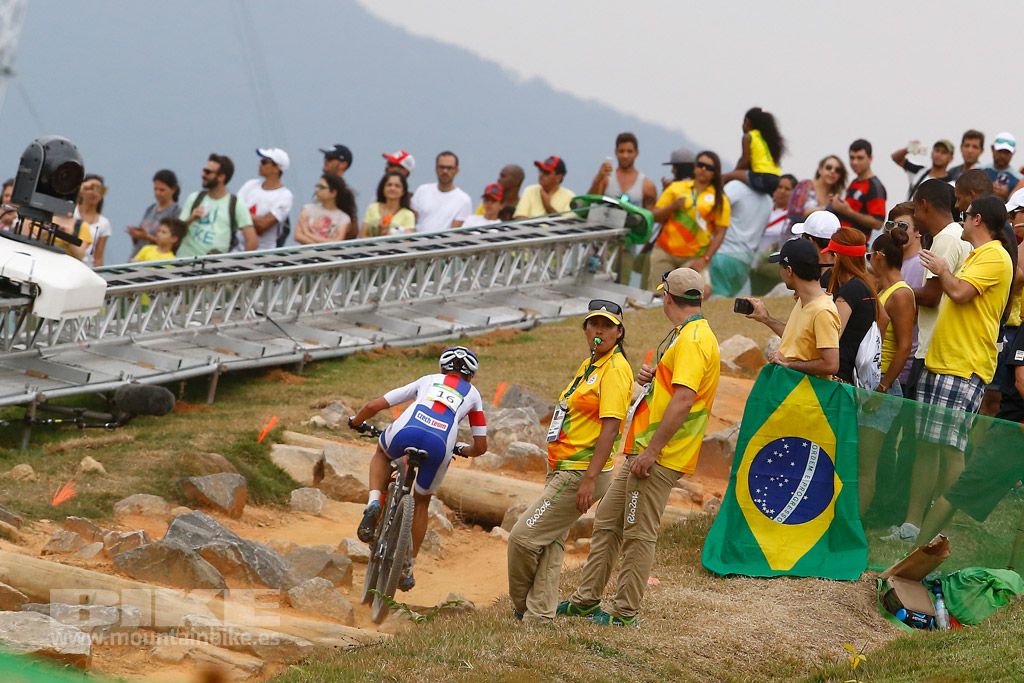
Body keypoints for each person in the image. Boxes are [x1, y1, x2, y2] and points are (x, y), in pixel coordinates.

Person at [557, 268, 719, 626]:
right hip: (643, 450)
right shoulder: (688, 334)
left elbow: (684, 399)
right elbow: (674, 388)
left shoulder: (693, 340)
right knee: (608, 522)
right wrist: (655, 375)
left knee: (637, 532)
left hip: (657, 455)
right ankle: (586, 599)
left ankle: (624, 612)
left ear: (668, 299)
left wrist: (652, 452)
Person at [887, 196, 1014, 544]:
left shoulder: (994, 256)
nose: (962, 220)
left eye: (966, 215)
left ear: (977, 220)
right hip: (945, 361)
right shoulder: (979, 254)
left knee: (950, 448)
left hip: (963, 364)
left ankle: (945, 527)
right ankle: (915, 524)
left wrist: (943, 269)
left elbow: (958, 293)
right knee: (929, 445)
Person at [508, 300, 633, 623]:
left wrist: (590, 478)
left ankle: (522, 606)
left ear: (619, 332)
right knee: (550, 542)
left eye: (607, 326)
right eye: (593, 324)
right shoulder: (590, 364)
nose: (599, 330)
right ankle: (539, 616)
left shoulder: (616, 370)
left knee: (523, 538)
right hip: (562, 466)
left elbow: (611, 426)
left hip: (581, 472)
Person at [350, 347, 488, 590]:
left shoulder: (428, 380)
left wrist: (356, 422)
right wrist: (461, 449)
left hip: (407, 431)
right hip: (440, 444)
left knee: (382, 454)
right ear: (471, 376)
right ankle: (407, 566)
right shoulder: (474, 395)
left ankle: (373, 504)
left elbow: (374, 405)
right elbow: (481, 446)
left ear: (442, 368)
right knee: (422, 501)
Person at [858, 229, 916, 514]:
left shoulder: (902, 294)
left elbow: (905, 346)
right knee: (859, 461)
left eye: (870, 255)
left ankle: (855, 527)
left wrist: (884, 387)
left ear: (879, 257)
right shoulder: (885, 289)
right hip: (872, 382)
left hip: (883, 386)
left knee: (866, 466)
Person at [907, 179, 971, 401]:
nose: (914, 216)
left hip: (933, 350)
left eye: (914, 209)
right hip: (941, 348)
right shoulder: (957, 234)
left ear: (924, 204)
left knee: (918, 432)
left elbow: (932, 296)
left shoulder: (946, 238)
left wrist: (895, 289)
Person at [746, 238, 841, 378]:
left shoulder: (822, 311)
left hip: (806, 396)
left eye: (780, 267)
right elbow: (797, 339)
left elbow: (831, 364)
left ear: (789, 270)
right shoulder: (803, 301)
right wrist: (766, 319)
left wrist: (789, 364)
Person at [648, 151, 730, 295]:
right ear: (694, 167)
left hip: (694, 256)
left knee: (699, 292)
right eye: (700, 165)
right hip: (665, 251)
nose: (703, 169)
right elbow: (654, 216)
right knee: (659, 295)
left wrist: (705, 259)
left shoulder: (720, 198)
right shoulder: (677, 188)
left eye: (709, 167)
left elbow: (720, 233)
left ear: (715, 173)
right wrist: (672, 206)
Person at [823, 227, 879, 386]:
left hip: (839, 378)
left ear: (837, 256)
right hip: (853, 376)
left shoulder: (851, 290)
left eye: (831, 254)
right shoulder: (865, 286)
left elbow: (832, 336)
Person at [177, 154, 257, 257]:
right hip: (185, 264)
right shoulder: (194, 198)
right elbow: (175, 232)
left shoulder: (236, 204)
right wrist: (191, 219)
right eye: (204, 170)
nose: (203, 175)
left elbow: (252, 240)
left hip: (214, 268)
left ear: (221, 177)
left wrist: (240, 266)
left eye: (208, 172)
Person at [237, 148, 294, 250]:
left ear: (277, 168)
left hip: (263, 254)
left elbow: (263, 224)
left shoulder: (285, 196)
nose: (260, 164)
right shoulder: (250, 185)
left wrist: (242, 214)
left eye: (264, 162)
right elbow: (232, 211)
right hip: (236, 249)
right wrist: (254, 218)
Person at [721, 106, 785, 195]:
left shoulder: (748, 137)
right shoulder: (768, 139)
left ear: (747, 122)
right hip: (776, 179)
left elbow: (745, 161)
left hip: (761, 177)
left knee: (724, 177)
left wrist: (733, 173)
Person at [833, 139, 887, 237]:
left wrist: (848, 212)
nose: (855, 162)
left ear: (870, 158)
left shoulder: (875, 186)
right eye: (852, 158)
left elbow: (878, 223)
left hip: (856, 244)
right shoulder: (854, 182)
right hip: (843, 239)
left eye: (860, 158)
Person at [588, 132, 657, 209]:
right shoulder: (606, 179)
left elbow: (650, 217)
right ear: (616, 152)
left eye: (629, 151)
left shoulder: (647, 186)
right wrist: (598, 178)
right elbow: (589, 204)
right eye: (621, 151)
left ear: (636, 153)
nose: (625, 156)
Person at [411, 151, 472, 233]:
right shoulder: (422, 190)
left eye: (449, 168)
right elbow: (412, 221)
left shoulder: (464, 200)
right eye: (441, 167)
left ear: (456, 170)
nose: (445, 171)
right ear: (436, 169)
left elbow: (456, 232)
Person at [127, 169, 180, 259]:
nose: (157, 193)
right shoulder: (150, 209)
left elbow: (172, 244)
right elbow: (139, 240)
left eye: (162, 190)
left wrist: (147, 237)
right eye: (155, 189)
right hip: (138, 256)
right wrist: (136, 235)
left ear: (173, 189)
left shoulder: (175, 211)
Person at [295, 173, 358, 243]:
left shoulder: (343, 218)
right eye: (317, 186)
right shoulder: (307, 209)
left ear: (333, 193)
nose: (317, 190)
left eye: (321, 187)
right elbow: (298, 236)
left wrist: (307, 233)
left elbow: (336, 242)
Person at [787, 155, 847, 224]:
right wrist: (822, 209)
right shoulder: (806, 185)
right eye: (828, 168)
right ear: (820, 170)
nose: (832, 171)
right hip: (796, 232)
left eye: (837, 170)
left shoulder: (835, 196)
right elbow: (793, 214)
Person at [360, 171, 415, 237]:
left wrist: (389, 234)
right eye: (389, 185)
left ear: (403, 191)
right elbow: (362, 234)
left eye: (397, 186)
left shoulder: (408, 215)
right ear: (383, 188)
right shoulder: (373, 207)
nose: (392, 188)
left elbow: (408, 240)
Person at [75, 174, 112, 268]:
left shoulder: (104, 223)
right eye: (91, 188)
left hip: (86, 268)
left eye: (99, 190)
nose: (94, 193)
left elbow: (98, 257)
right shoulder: (71, 212)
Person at [758, 174, 797, 252]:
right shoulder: (762, 209)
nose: (782, 191)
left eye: (787, 189)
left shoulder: (793, 218)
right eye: (779, 187)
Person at [984, 132, 1019, 200]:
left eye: (1006, 152)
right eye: (1000, 151)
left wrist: (1008, 196)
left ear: (1013, 152)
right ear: (992, 148)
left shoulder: (1019, 179)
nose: (1003, 156)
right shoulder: (978, 170)